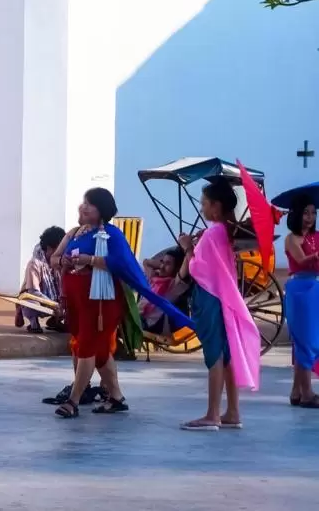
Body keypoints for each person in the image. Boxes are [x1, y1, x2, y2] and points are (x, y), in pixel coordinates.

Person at [50, 187, 193, 419]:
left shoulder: (112, 235)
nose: (83, 206)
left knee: (86, 346)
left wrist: (90, 260)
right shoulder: (74, 233)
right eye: (84, 202)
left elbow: (119, 262)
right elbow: (54, 258)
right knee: (99, 351)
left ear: (102, 211)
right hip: (75, 301)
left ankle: (73, 401)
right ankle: (116, 398)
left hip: (100, 303)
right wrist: (62, 261)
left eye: (90, 204)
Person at [179, 177, 261, 431]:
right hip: (223, 296)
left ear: (215, 206)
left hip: (209, 296)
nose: (202, 208)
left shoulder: (213, 232)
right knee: (226, 356)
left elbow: (196, 269)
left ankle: (212, 413)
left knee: (213, 355)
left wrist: (187, 249)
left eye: (204, 203)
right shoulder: (225, 230)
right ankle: (233, 411)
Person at [283, 196, 319, 408]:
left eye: (314, 213)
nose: (310, 217)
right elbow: (301, 260)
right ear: (296, 214)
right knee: (306, 341)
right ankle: (307, 393)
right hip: (300, 289)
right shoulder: (291, 239)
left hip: (315, 287)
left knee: (307, 341)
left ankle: (296, 391)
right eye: (306, 213)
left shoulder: (317, 236)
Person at [16, 226, 67, 333]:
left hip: (55, 300)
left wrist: (62, 302)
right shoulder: (34, 263)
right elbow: (33, 292)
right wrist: (53, 304)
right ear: (49, 248)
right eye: (59, 249)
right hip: (37, 299)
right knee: (29, 302)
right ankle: (34, 323)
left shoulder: (60, 262)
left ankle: (55, 321)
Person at [139, 248, 189, 336]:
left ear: (177, 268)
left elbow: (186, 264)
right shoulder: (153, 278)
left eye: (168, 264)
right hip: (139, 317)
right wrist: (163, 265)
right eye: (162, 262)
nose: (162, 266)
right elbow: (146, 262)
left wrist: (187, 248)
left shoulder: (174, 285)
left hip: (150, 324)